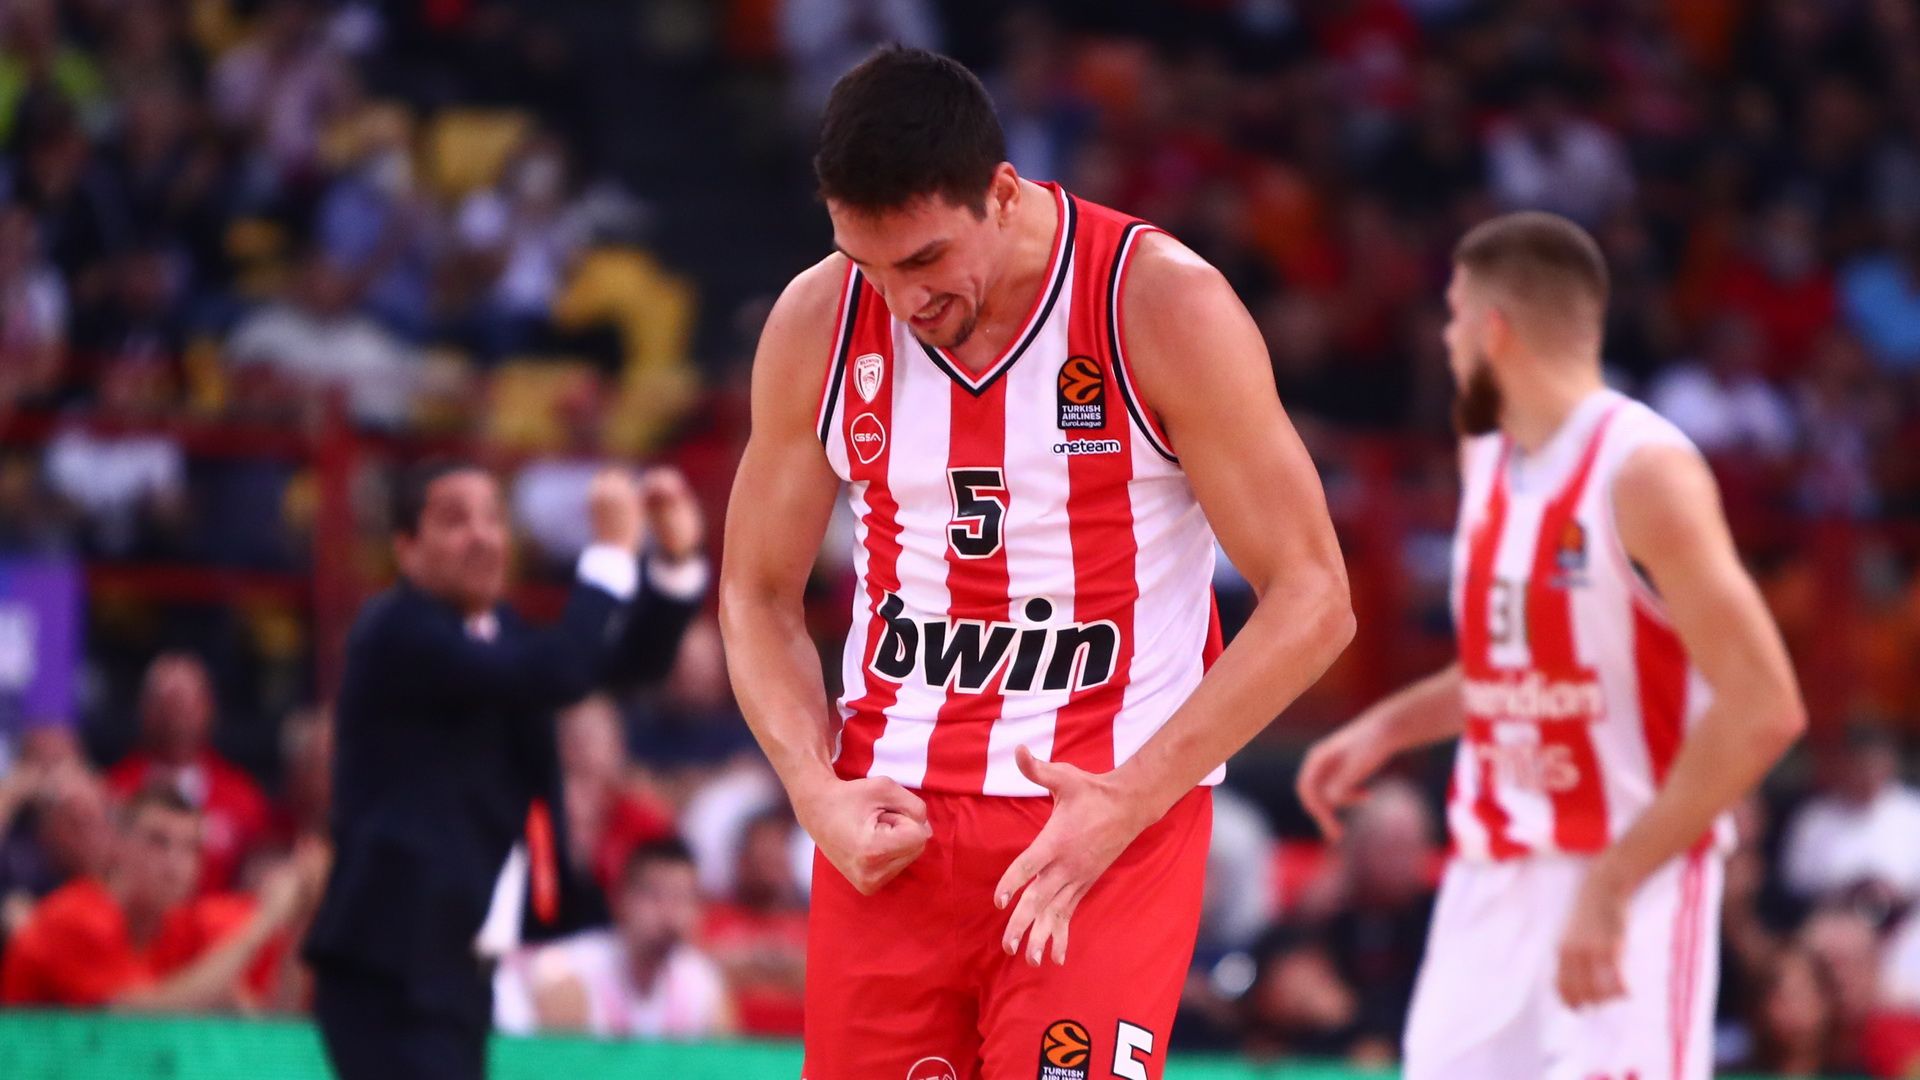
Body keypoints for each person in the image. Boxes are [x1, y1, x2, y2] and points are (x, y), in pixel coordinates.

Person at [719, 46, 1352, 1079]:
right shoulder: (818, 321)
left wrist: (1133, 798)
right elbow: (755, 593)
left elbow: (1316, 597)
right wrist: (810, 788)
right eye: (869, 263)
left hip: (1103, 823)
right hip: (892, 830)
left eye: (925, 260)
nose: (902, 300)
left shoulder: (1157, 303)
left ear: (1004, 194)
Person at [1297, 211, 1806, 1080]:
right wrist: (1383, 729)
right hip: (1489, 876)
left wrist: (1614, 882)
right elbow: (1510, 670)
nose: (1446, 339)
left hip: (1627, 869)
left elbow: (1766, 707)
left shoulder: (1645, 470)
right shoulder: (1487, 456)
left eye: (1454, 316)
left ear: (1494, 330)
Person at [302, 460, 705, 1080]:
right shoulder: (397, 630)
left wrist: (673, 565)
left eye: (493, 518)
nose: (483, 536)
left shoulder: (499, 633)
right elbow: (557, 670)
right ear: (406, 548)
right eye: (454, 520)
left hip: (461, 969)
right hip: (390, 968)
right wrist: (609, 553)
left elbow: (622, 665)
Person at [1, 784, 325, 1010]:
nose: (175, 865)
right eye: (158, 841)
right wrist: (264, 921)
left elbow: (266, 1032)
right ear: (118, 845)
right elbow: (139, 1022)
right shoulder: (76, 917)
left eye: (191, 848)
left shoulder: (181, 928)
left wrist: (300, 921)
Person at [493, 837, 734, 1039]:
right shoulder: (571, 970)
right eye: (655, 896)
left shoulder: (701, 982)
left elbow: (725, 1065)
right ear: (620, 899)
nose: (669, 914)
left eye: (682, 898)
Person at [105, 652, 272, 895]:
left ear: (208, 708)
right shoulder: (114, 789)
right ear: (144, 709)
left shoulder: (243, 797)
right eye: (166, 703)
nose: (176, 716)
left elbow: (258, 875)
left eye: (186, 703)